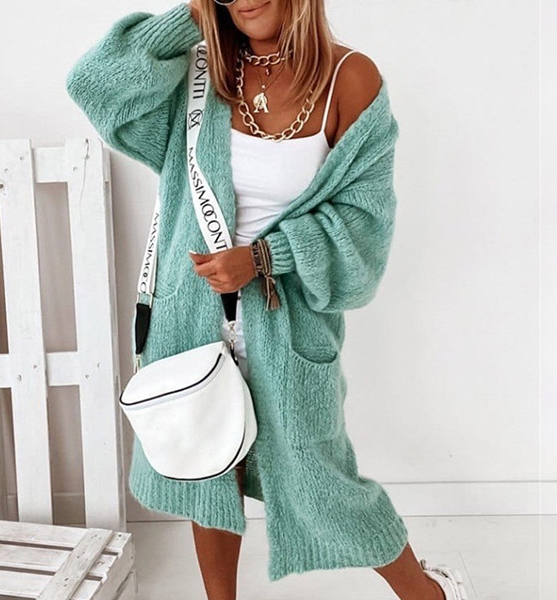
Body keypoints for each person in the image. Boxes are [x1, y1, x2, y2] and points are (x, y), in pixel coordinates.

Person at [66, 1, 469, 599]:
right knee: (207, 474)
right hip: (190, 313)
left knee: (320, 482)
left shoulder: (350, 78)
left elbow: (363, 225)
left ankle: (429, 594)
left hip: (287, 324)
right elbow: (95, 84)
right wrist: (194, 16)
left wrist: (262, 258)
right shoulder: (201, 74)